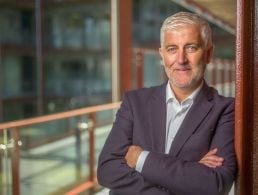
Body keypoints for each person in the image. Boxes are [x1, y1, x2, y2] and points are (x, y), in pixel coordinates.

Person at [97, 11, 236, 195]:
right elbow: (107, 170)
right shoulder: (135, 102)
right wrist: (189, 175)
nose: (181, 60)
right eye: (172, 49)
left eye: (191, 48)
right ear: (162, 56)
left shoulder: (226, 109)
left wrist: (141, 158)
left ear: (208, 53)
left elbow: (214, 185)